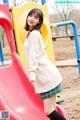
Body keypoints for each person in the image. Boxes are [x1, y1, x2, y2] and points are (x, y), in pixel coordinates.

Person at [24, 8, 66, 120]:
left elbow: (34, 56)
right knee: (52, 109)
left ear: (39, 21)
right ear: (27, 16)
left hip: (47, 77)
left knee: (48, 111)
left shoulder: (33, 34)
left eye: (36, 17)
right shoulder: (30, 34)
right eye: (31, 15)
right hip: (47, 76)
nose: (32, 19)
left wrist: (32, 75)